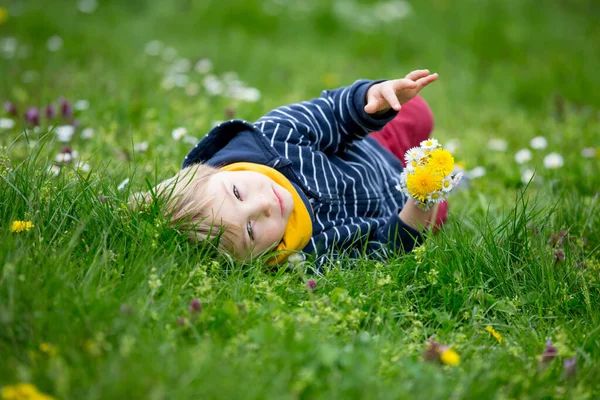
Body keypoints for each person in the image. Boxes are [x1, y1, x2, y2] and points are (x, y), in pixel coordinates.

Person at [134, 69, 448, 265]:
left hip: (376, 144)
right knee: (439, 209)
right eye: (250, 230)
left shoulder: (275, 137)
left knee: (416, 110)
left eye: (238, 194)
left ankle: (407, 133)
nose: (265, 204)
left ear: (220, 170)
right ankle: (432, 180)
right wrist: (416, 208)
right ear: (255, 260)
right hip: (397, 202)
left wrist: (370, 98)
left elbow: (331, 114)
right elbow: (377, 252)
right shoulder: (305, 255)